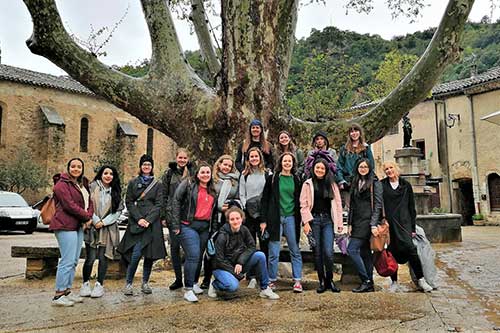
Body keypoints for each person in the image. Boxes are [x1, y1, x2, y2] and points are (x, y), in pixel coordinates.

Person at [118, 155, 166, 296]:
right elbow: (129, 202)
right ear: (140, 166)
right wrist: (139, 218)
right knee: (136, 254)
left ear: (152, 167)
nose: (146, 167)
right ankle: (129, 283)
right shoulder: (133, 182)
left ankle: (145, 282)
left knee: (149, 255)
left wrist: (149, 220)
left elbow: (159, 204)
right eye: (144, 164)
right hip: (137, 222)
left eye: (149, 165)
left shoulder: (158, 184)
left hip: (152, 224)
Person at [381, 161, 433, 293]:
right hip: (390, 225)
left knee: (411, 249)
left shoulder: (406, 185)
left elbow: (411, 207)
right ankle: (394, 282)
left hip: (404, 224)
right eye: (386, 169)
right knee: (392, 252)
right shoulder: (382, 185)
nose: (389, 171)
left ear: (396, 168)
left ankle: (421, 280)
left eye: (391, 167)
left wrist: (413, 228)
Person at [208, 207, 279, 300]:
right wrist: (236, 273)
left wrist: (240, 262)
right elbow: (219, 260)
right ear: (228, 221)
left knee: (260, 255)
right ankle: (215, 284)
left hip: (238, 264)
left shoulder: (244, 230)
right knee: (232, 286)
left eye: (238, 218)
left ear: (242, 219)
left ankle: (265, 288)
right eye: (232, 219)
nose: (235, 221)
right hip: (221, 268)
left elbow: (252, 246)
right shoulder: (222, 236)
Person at [50, 158, 94, 307]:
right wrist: (87, 217)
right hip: (64, 225)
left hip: (78, 225)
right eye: (73, 166)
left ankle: (67, 291)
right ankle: (58, 294)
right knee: (66, 261)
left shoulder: (82, 183)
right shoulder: (61, 185)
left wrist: (88, 216)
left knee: (74, 261)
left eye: (79, 166)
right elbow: (69, 206)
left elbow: (90, 202)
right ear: (68, 168)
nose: (76, 169)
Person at [171, 162, 217, 303]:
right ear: (197, 174)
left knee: (200, 255)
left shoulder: (212, 189)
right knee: (193, 255)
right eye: (202, 172)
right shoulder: (188, 184)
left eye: (207, 172)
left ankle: (195, 282)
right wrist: (175, 224)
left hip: (204, 227)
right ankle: (188, 289)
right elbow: (176, 201)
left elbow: (214, 212)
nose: (205, 175)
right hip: (188, 225)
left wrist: (213, 230)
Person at [261, 152, 303, 292]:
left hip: (291, 217)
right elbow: (265, 200)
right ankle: (271, 280)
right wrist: (263, 220)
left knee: (295, 250)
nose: (287, 163)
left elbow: (300, 200)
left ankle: (297, 280)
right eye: (285, 161)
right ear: (281, 163)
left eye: (289, 161)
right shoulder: (273, 179)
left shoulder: (297, 179)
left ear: (293, 163)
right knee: (273, 251)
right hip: (275, 217)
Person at [300, 158, 343, 293]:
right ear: (313, 169)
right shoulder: (308, 184)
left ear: (326, 170)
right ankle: (321, 281)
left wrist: (340, 223)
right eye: (317, 168)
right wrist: (306, 222)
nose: (319, 170)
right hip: (314, 221)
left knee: (329, 253)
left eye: (322, 168)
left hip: (328, 221)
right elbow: (303, 205)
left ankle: (330, 280)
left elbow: (338, 204)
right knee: (317, 253)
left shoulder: (332, 184)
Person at [80, 165, 122, 298]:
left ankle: (99, 284)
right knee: (90, 258)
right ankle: (85, 283)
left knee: (104, 258)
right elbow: (86, 205)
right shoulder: (92, 187)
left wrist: (103, 222)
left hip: (107, 229)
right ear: (101, 174)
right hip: (92, 226)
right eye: (106, 173)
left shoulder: (116, 191)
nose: (108, 176)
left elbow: (118, 211)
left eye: (111, 174)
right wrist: (95, 220)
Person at [201, 154, 240, 288]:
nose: (227, 167)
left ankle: (222, 276)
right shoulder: (212, 179)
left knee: (224, 249)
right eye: (225, 164)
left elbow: (238, 199)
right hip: (212, 218)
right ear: (219, 164)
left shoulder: (235, 180)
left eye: (229, 166)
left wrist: (230, 206)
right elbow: (206, 197)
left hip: (226, 219)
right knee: (210, 248)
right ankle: (206, 278)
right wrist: (218, 205)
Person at [160, 148, 194, 290]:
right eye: (180, 158)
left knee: (188, 249)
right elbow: (164, 194)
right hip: (172, 214)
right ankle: (178, 278)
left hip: (187, 214)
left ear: (188, 159)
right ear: (176, 158)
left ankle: (189, 279)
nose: (182, 160)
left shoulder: (192, 173)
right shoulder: (169, 174)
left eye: (185, 158)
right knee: (174, 247)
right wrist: (163, 215)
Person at [347, 158, 382, 293]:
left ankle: (365, 280)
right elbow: (352, 206)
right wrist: (349, 223)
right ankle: (370, 282)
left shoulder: (374, 182)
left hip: (368, 221)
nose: (363, 169)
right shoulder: (355, 182)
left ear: (369, 168)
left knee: (352, 249)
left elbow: (378, 205)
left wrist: (374, 224)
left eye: (365, 167)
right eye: (360, 166)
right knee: (365, 252)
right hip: (356, 221)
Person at [239, 147, 271, 288]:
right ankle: (250, 275)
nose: (254, 159)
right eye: (251, 157)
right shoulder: (244, 175)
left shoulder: (267, 173)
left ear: (260, 158)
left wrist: (264, 215)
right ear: (248, 159)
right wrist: (246, 208)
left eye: (256, 156)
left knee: (264, 244)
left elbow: (269, 194)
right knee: (250, 244)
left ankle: (264, 275)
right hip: (249, 213)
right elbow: (241, 194)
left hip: (263, 212)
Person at [336, 123, 375, 207]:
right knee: (350, 209)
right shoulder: (344, 149)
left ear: (360, 132)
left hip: (362, 183)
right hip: (348, 183)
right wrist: (341, 180)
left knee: (362, 208)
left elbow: (371, 165)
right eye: (352, 131)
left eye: (356, 130)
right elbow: (339, 166)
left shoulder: (366, 148)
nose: (354, 133)